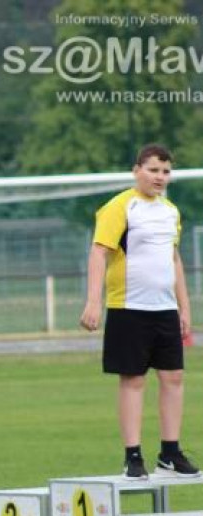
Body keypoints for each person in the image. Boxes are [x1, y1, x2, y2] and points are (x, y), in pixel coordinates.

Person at [80, 143, 199, 480]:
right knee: (133, 380)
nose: (159, 177)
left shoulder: (171, 212)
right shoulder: (120, 207)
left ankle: (170, 452)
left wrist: (184, 308)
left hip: (164, 309)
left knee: (173, 377)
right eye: (153, 170)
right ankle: (133, 455)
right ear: (137, 171)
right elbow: (99, 252)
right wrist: (93, 301)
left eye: (165, 171)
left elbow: (174, 260)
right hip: (128, 307)